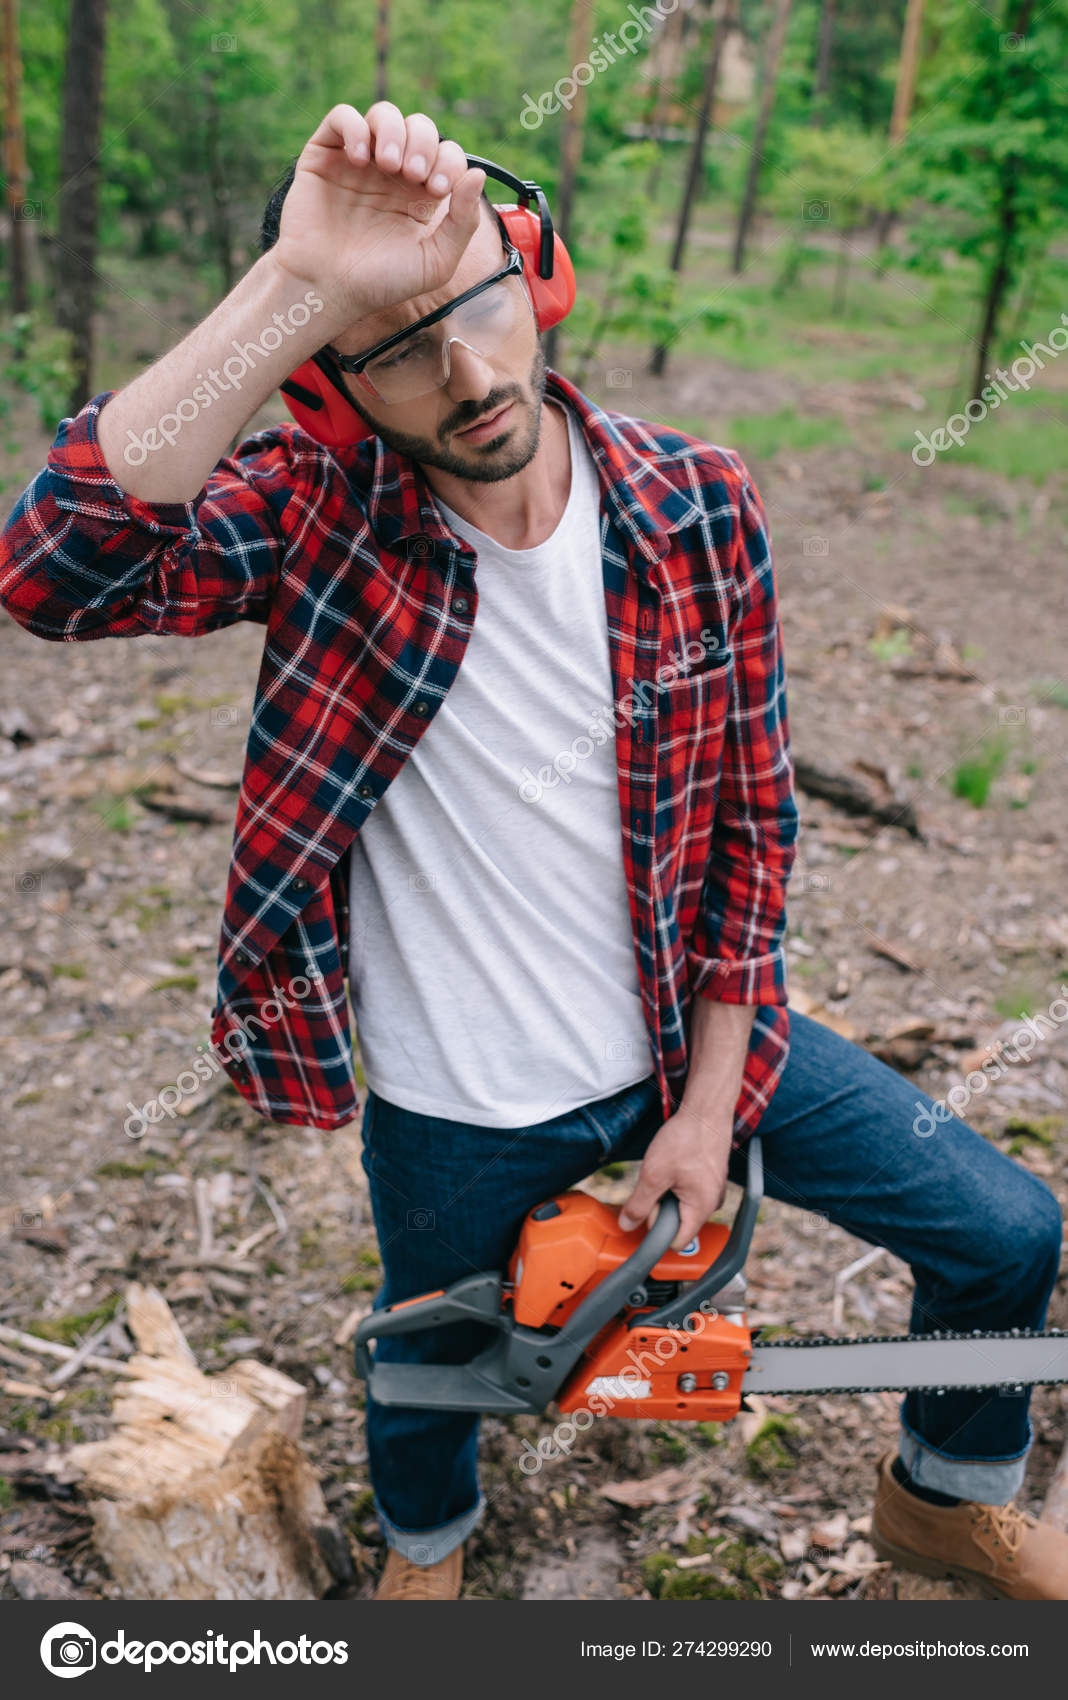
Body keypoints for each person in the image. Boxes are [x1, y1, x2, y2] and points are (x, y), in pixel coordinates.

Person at [1, 102, 1064, 1603]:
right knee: (430, 1356)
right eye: (396, 346)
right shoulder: (321, 515)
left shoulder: (698, 500)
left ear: (538, 277)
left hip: (674, 1032)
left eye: (482, 305)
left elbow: (757, 828)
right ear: (328, 392)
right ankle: (427, 1558)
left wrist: (706, 1113)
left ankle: (950, 1496)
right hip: (459, 1093)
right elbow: (53, 568)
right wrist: (299, 282)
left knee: (1009, 1234)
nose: (472, 373)